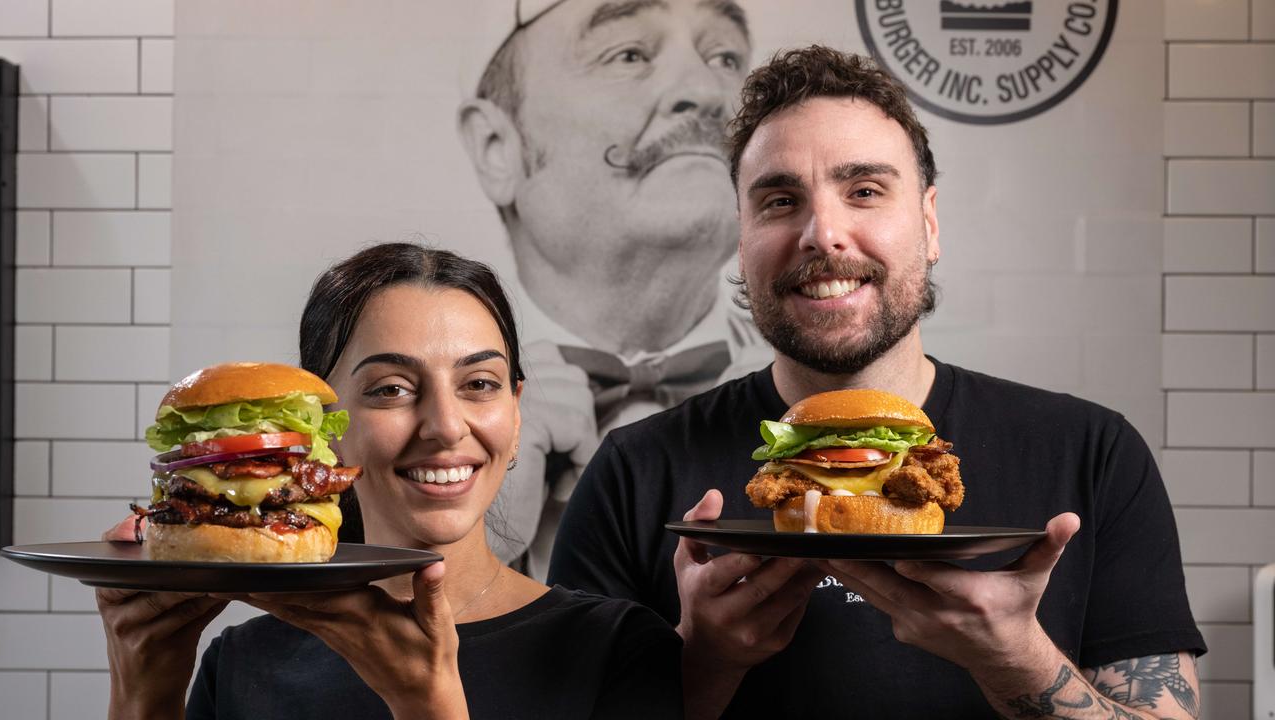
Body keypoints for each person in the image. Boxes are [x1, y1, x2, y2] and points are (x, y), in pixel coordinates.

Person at [548, 46, 1206, 719]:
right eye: (779, 200)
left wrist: (1013, 657)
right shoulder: (631, 472)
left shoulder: (1094, 454)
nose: (823, 234)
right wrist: (703, 664)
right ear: (740, 238)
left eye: (864, 191)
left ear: (928, 221)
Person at [96, 243, 683, 719]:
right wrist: (143, 692)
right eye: (391, 389)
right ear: (324, 428)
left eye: (479, 383)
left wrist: (425, 706)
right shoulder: (242, 661)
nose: (446, 427)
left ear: (516, 411)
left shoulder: (620, 650)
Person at [456, 0, 772, 576]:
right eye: (629, 53)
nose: (706, 90)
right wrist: (473, 542)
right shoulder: (409, 415)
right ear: (499, 148)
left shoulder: (814, 405)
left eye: (725, 57)